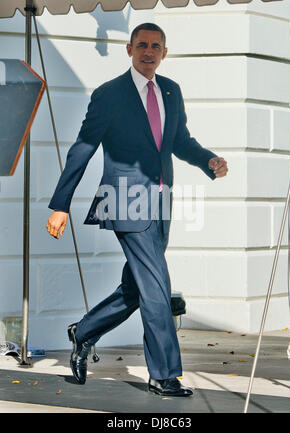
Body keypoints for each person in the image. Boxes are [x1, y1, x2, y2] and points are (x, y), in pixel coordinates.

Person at [46, 23, 228, 397]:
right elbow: (82, 148)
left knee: (139, 286)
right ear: (129, 49)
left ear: (164, 52)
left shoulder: (171, 91)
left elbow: (179, 141)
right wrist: (60, 204)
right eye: (142, 45)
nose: (148, 51)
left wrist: (208, 160)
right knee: (158, 287)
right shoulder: (109, 95)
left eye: (156, 46)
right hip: (125, 201)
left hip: (161, 202)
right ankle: (163, 373)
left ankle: (83, 333)